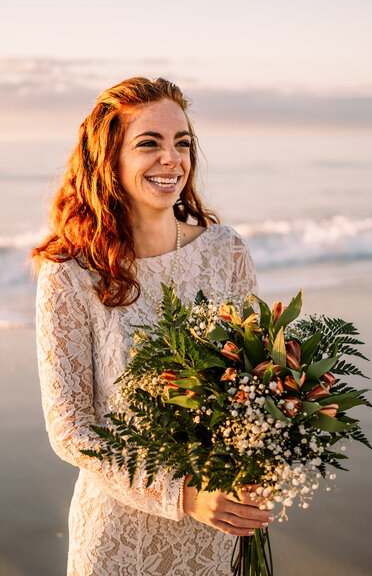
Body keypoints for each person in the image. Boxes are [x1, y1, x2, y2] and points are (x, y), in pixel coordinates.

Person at [32, 77, 274, 575]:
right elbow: (72, 431)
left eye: (182, 143)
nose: (173, 159)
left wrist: (260, 465)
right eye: (149, 143)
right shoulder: (71, 273)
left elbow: (252, 383)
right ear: (109, 160)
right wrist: (181, 494)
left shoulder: (224, 252)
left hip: (216, 532)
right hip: (120, 541)